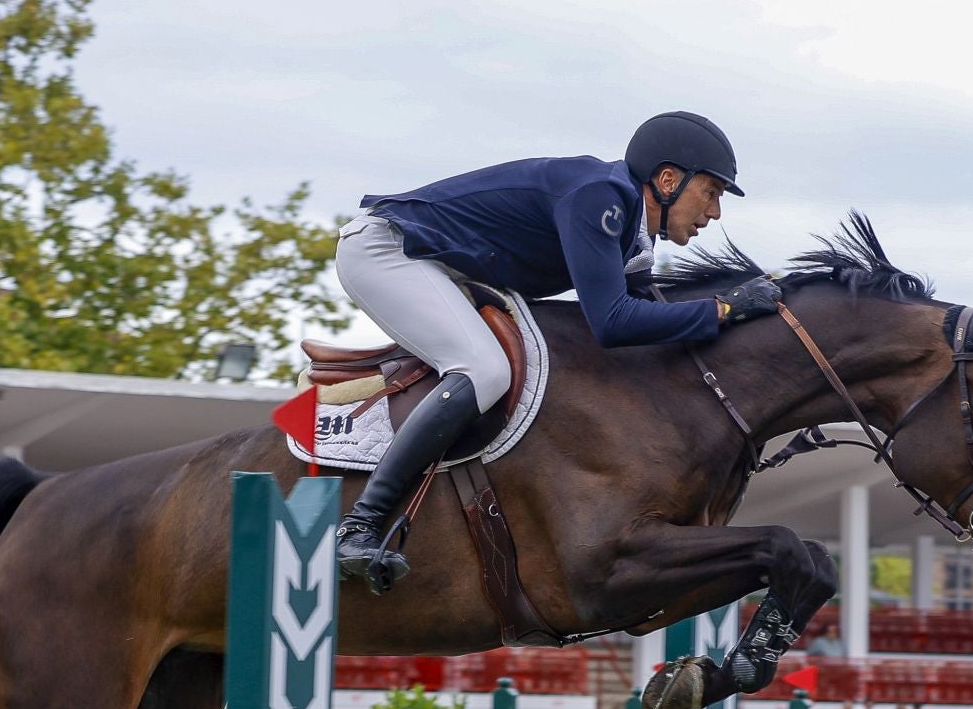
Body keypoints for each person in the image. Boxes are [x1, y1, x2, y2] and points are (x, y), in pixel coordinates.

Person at [333, 113, 777, 586]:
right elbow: (613, 322)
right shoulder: (600, 197)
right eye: (711, 192)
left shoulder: (630, 230)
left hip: (441, 268)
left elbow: (652, 318)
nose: (715, 212)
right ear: (668, 180)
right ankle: (361, 525)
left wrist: (739, 316)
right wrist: (724, 310)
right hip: (387, 252)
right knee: (484, 370)